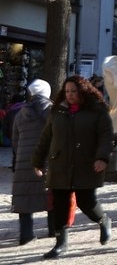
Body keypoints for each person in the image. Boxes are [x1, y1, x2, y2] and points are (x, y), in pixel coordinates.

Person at [32, 76, 114, 259]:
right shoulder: (57, 110)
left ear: (83, 91)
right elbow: (46, 138)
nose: (69, 95)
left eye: (74, 91)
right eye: (67, 91)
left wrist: (102, 158)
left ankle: (103, 220)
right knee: (60, 204)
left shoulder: (97, 110)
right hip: (60, 164)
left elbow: (106, 137)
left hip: (86, 164)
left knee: (86, 202)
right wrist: (37, 161)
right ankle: (61, 244)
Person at [12, 79, 53, 246]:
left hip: (24, 161)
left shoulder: (21, 113)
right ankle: (54, 230)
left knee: (25, 196)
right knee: (52, 194)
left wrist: (20, 155)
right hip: (48, 160)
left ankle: (26, 234)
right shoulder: (53, 111)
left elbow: (15, 139)